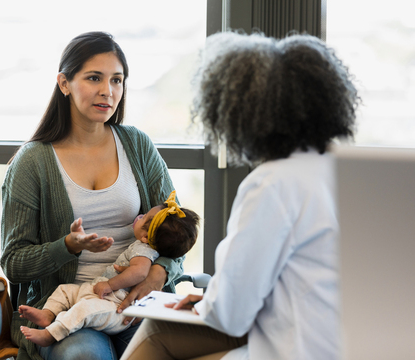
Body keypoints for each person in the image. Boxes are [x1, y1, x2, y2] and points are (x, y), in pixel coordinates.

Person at [121, 31, 359, 360]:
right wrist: (213, 300)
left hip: (292, 347)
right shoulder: (336, 171)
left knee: (156, 331)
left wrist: (215, 301)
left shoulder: (271, 184)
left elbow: (232, 315)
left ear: (237, 116)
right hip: (341, 341)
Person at [0, 31, 186, 360]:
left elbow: (178, 229)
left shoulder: (138, 146)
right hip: (70, 312)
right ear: (64, 83)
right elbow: (14, 262)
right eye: (94, 78)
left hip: (137, 305)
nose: (107, 91)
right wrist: (66, 247)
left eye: (117, 80)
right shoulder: (33, 162)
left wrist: (158, 274)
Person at [19, 191, 200, 347]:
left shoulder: (143, 250)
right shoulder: (144, 246)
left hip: (115, 307)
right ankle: (47, 314)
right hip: (97, 293)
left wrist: (110, 284)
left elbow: (140, 272)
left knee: (83, 310)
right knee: (64, 291)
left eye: (144, 217)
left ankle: (51, 334)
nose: (140, 215)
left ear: (145, 237)